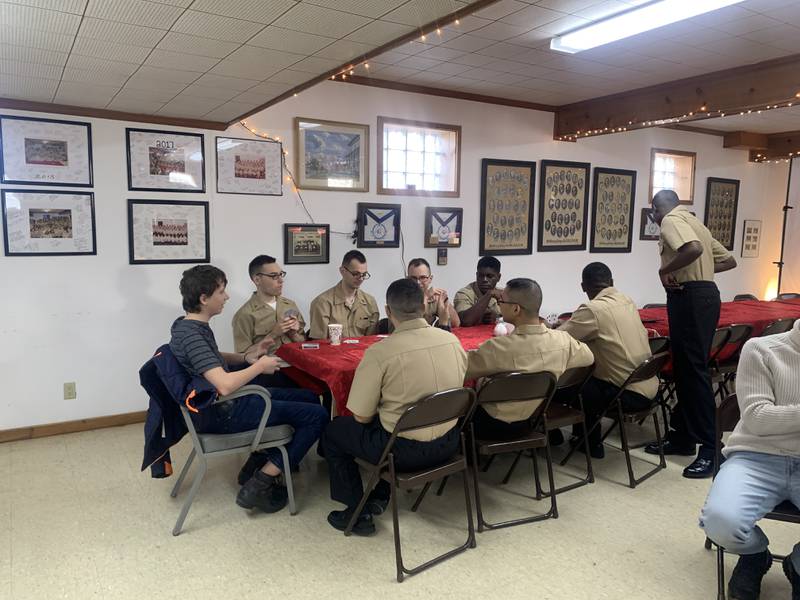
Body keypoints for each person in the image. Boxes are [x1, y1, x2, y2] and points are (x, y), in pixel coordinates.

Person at [169, 265, 327, 514]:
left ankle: (259, 460)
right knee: (317, 416)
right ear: (203, 298)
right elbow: (224, 384)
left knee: (309, 396)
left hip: (220, 405)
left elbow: (214, 358)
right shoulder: (192, 336)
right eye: (221, 291)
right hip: (223, 412)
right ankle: (261, 480)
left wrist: (247, 357)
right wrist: (260, 366)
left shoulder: (186, 326)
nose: (227, 296)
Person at [321, 278, 469, 535]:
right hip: (450, 442)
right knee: (396, 419)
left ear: (388, 311)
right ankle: (379, 492)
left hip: (401, 452)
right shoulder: (452, 342)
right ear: (424, 306)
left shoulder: (381, 352)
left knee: (335, 431)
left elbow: (361, 416)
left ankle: (357, 513)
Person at [699, 321, 800, 599]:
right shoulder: (762, 349)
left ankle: (797, 565)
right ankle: (755, 555)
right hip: (756, 456)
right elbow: (757, 419)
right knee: (720, 522)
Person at [644, 190, 737, 478]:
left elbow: (694, 249)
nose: (657, 219)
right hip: (704, 294)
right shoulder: (695, 221)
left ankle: (711, 449)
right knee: (686, 370)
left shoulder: (671, 220)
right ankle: (683, 435)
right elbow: (728, 260)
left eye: (655, 214)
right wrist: (701, 273)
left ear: (658, 210)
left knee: (693, 373)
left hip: (690, 297)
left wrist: (665, 270)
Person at [465, 278, 594, 440]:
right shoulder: (563, 340)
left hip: (493, 422)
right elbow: (588, 358)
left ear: (516, 309)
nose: (499, 305)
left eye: (501, 301)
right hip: (537, 417)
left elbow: (460, 370)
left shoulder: (498, 347)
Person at [558, 262, 658, 458]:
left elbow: (560, 339)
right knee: (588, 379)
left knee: (566, 385)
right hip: (650, 388)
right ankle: (584, 439)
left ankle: (587, 442)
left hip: (627, 394)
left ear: (583, 286)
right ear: (612, 282)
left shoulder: (592, 309)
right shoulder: (626, 300)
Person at [232, 255, 305, 388]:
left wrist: (294, 334)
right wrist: (273, 334)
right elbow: (243, 357)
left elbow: (303, 342)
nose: (281, 280)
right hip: (269, 374)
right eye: (273, 276)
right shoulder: (244, 314)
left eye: (281, 274)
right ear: (257, 279)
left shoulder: (290, 305)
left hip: (297, 367)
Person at [308, 250, 380, 340]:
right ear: (342, 271)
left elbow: (371, 340)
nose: (361, 278)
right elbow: (319, 343)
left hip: (361, 352)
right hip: (332, 352)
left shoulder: (370, 302)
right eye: (356, 274)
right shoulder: (322, 302)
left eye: (364, 274)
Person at [407, 257, 460, 328]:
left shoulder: (434, 297)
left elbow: (456, 323)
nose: (418, 283)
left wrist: (444, 300)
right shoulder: (400, 297)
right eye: (413, 278)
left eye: (422, 278)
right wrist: (425, 297)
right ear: (407, 279)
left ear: (430, 279)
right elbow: (414, 325)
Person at [454, 256, 503, 326]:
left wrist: (498, 318)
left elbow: (516, 318)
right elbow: (465, 321)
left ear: (498, 277)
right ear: (477, 275)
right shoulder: (464, 293)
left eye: (489, 276)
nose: (485, 280)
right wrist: (489, 294)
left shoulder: (503, 294)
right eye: (481, 276)